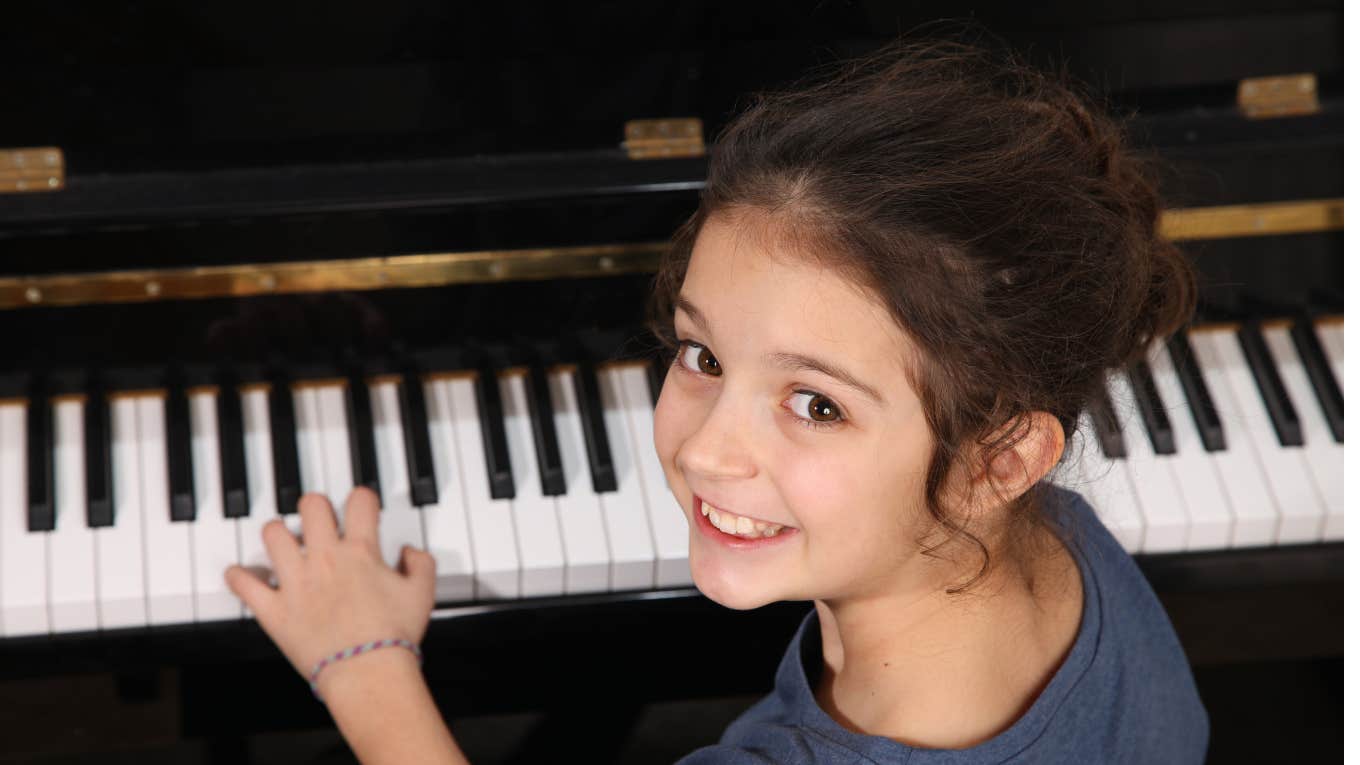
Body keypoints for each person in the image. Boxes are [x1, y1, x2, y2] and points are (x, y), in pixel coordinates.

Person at [224, 35, 1210, 764]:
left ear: (1000, 460)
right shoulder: (1062, 537)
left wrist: (363, 663)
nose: (705, 452)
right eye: (701, 355)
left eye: (815, 403)